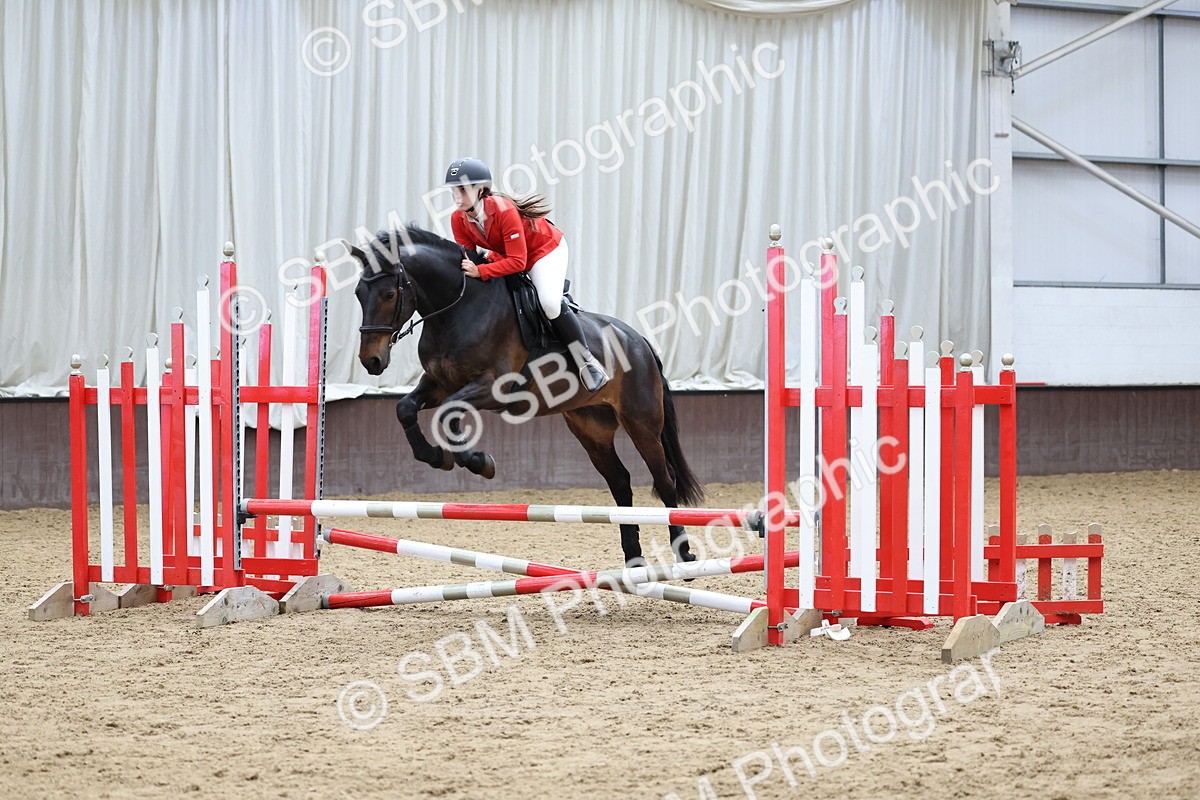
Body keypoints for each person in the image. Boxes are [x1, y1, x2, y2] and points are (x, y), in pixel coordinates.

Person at [444, 157, 609, 393]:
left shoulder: (504, 210)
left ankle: (587, 363)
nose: (457, 196)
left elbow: (518, 262)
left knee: (549, 304)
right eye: (454, 190)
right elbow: (470, 258)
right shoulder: (457, 219)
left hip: (543, 250)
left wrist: (481, 271)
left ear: (480, 190)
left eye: (463, 190)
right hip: (507, 254)